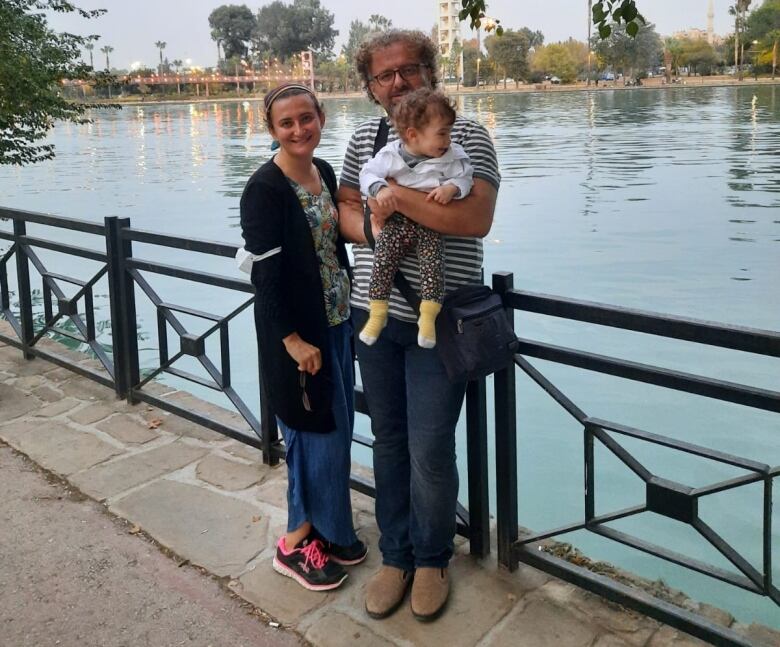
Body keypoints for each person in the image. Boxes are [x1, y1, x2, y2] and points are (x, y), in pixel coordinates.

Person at [337, 31, 500, 621]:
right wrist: (381, 228)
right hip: (375, 314)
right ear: (371, 86)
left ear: (429, 72)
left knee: (431, 446)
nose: (397, 81)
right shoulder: (364, 138)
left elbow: (475, 217)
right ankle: (396, 556)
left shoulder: (467, 135)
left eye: (408, 70)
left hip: (443, 319)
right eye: (384, 75)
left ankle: (432, 559)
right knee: (387, 440)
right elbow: (347, 209)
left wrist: (400, 202)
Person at [239, 83, 367, 592]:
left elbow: (333, 249)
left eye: (305, 118)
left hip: (336, 324)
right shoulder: (264, 190)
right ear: (271, 130)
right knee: (308, 437)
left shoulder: (325, 172)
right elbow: (264, 279)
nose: (298, 130)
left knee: (335, 431)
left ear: (320, 118)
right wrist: (291, 339)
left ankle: (332, 532)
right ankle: (293, 544)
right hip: (298, 339)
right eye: (286, 123)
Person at [357, 88, 474, 349]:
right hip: (396, 223)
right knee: (383, 262)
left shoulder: (452, 155)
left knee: (433, 267)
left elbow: (466, 175)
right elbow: (367, 174)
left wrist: (452, 188)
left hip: (430, 223)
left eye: (449, 132)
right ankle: (377, 314)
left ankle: (428, 319)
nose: (448, 140)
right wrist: (380, 189)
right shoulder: (390, 155)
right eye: (441, 133)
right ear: (412, 135)